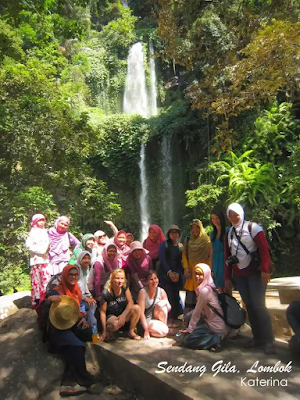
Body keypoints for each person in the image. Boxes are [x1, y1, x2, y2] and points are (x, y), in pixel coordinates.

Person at [224, 203, 275, 354]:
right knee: (249, 305)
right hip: (240, 274)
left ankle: (269, 341)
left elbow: (264, 249)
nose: (233, 218)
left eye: (236, 215)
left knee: (259, 305)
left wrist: (265, 271)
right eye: (230, 215)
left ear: (242, 213)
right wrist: (227, 278)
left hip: (256, 272)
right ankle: (257, 338)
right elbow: (228, 256)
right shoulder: (229, 233)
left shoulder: (253, 228)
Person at [46, 264, 101, 396]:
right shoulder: (57, 290)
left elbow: (79, 306)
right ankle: (83, 380)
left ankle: (71, 379)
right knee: (77, 346)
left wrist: (82, 317)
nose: (73, 277)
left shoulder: (76, 290)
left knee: (89, 333)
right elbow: (49, 299)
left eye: (76, 275)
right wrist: (51, 299)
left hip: (72, 323)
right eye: (70, 275)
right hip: (57, 328)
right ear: (65, 275)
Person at [182, 264, 227, 351]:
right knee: (188, 319)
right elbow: (198, 309)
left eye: (200, 274)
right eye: (196, 274)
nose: (197, 277)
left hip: (215, 327)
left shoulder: (204, 291)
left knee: (187, 340)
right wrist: (187, 316)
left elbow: (197, 312)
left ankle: (215, 339)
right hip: (209, 321)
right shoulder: (208, 286)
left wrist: (190, 330)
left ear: (206, 275)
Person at [99, 269, 141, 341]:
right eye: (117, 278)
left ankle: (131, 331)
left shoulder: (124, 288)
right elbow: (102, 312)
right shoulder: (106, 293)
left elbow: (130, 302)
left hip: (123, 314)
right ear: (112, 279)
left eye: (122, 278)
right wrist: (104, 331)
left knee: (137, 308)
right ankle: (110, 332)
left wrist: (123, 315)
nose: (120, 281)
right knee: (114, 324)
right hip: (111, 316)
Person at [182, 219, 211, 314]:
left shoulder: (206, 240)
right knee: (191, 296)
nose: (195, 230)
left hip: (203, 271)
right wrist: (186, 267)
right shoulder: (188, 239)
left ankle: (204, 319)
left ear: (201, 228)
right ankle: (189, 320)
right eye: (192, 228)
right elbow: (184, 254)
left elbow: (210, 255)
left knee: (203, 294)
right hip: (191, 270)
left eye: (197, 227)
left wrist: (210, 271)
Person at [159, 225, 183, 328]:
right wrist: (169, 272)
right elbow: (162, 259)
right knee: (168, 295)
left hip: (176, 275)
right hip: (165, 274)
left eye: (176, 232)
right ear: (168, 234)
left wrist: (177, 273)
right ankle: (168, 318)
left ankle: (175, 317)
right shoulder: (164, 244)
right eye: (172, 232)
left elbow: (180, 261)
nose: (174, 234)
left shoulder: (180, 246)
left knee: (176, 295)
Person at [25, 214, 50, 307]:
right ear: (35, 222)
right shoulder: (32, 233)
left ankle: (46, 295)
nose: (42, 222)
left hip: (45, 260)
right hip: (36, 260)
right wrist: (41, 250)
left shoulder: (45, 232)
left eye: (43, 220)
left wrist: (44, 250)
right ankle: (37, 298)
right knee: (37, 279)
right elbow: (29, 245)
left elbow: (48, 244)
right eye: (39, 220)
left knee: (46, 278)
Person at [138, 270, 171, 339]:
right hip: (146, 320)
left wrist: (159, 306)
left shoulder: (161, 291)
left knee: (163, 304)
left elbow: (168, 307)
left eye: (155, 278)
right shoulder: (143, 292)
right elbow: (141, 313)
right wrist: (146, 329)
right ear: (147, 281)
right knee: (164, 331)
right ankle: (149, 330)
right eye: (151, 279)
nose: (154, 281)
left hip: (156, 318)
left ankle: (159, 328)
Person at [75, 251, 97, 328]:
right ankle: (90, 325)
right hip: (77, 299)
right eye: (84, 258)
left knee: (93, 303)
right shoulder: (76, 270)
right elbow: (76, 288)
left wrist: (89, 296)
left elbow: (85, 286)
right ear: (79, 259)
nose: (86, 260)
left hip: (82, 297)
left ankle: (89, 322)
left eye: (88, 258)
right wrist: (85, 298)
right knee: (89, 307)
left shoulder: (84, 270)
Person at [210, 209, 228, 292]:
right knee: (219, 288)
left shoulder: (228, 231)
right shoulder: (212, 234)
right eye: (213, 218)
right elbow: (212, 251)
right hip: (216, 262)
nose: (215, 221)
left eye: (217, 218)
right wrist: (211, 268)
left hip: (225, 261)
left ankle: (230, 304)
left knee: (227, 287)